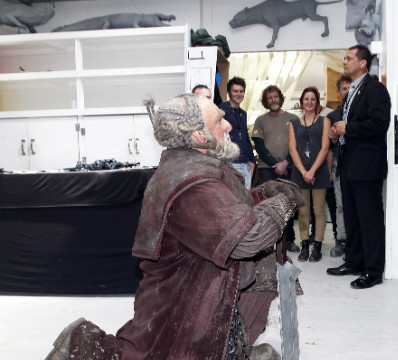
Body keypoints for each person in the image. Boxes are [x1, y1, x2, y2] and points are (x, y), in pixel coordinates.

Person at [44, 93, 304, 360]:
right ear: (199, 137)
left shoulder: (194, 166)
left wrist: (263, 195)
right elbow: (246, 238)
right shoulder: (191, 183)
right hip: (181, 302)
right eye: (219, 120)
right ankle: (78, 346)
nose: (228, 126)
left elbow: (223, 211)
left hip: (202, 288)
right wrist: (281, 204)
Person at [325, 44, 391, 290]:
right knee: (352, 217)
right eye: (344, 58)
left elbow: (379, 123)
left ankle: (373, 271)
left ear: (363, 63)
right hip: (350, 164)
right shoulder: (353, 90)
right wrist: (338, 131)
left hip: (367, 166)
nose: (344, 61)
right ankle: (353, 261)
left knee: (370, 219)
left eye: (349, 58)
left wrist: (348, 128)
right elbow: (353, 123)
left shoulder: (375, 89)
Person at [252, 85, 301, 253]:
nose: (273, 100)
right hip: (267, 169)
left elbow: (298, 145)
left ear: (280, 98)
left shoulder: (294, 119)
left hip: (289, 168)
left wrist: (285, 163)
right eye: (269, 98)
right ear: (266, 101)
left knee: (288, 204)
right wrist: (275, 164)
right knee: (266, 205)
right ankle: (266, 243)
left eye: (275, 97)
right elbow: (258, 145)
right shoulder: (260, 120)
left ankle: (289, 241)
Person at [289, 86, 331, 262]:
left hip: (319, 171)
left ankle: (318, 246)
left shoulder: (324, 121)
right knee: (303, 211)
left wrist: (312, 171)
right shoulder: (294, 123)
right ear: (301, 102)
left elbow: (325, 147)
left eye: (313, 99)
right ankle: (304, 245)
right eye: (306, 99)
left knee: (319, 210)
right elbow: (292, 149)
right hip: (300, 173)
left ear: (317, 101)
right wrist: (304, 172)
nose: (309, 102)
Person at [325, 75, 352, 257]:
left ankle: (356, 241)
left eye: (351, 88)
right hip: (339, 167)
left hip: (360, 168)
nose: (347, 91)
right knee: (341, 206)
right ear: (338, 92)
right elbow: (327, 148)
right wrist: (329, 171)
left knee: (358, 206)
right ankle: (341, 240)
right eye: (344, 88)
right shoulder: (332, 116)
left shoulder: (363, 112)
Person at [218, 76, 256, 189]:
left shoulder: (243, 114)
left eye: (241, 91)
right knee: (233, 198)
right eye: (235, 91)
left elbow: (245, 138)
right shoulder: (221, 109)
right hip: (231, 163)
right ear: (229, 92)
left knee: (247, 198)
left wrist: (252, 160)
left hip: (246, 164)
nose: (239, 94)